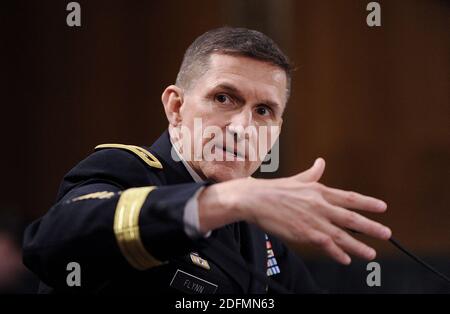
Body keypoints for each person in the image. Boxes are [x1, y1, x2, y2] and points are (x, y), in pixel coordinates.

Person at [22, 27, 391, 294]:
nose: (243, 127)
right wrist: (228, 200)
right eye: (224, 99)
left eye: (263, 110)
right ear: (176, 107)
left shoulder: (256, 233)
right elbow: (53, 243)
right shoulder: (126, 170)